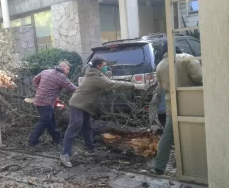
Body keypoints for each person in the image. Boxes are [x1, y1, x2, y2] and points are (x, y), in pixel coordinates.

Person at [60, 58, 147, 168]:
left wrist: (108, 77)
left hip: (85, 105)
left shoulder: (97, 75)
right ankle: (65, 154)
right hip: (78, 104)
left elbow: (106, 87)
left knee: (87, 127)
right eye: (104, 65)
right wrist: (134, 85)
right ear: (99, 66)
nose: (106, 67)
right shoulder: (95, 77)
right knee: (75, 125)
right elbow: (113, 84)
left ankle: (90, 149)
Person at [150, 42, 202, 175]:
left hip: (171, 105)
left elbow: (162, 86)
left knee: (168, 136)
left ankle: (159, 166)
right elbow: (200, 78)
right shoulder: (186, 58)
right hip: (192, 103)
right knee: (197, 134)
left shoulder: (160, 65)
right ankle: (198, 169)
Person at [28, 61, 77, 151]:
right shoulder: (61, 77)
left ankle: (57, 139)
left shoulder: (46, 71)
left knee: (50, 121)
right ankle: (32, 141)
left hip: (39, 100)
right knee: (44, 121)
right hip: (46, 103)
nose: (68, 71)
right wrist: (84, 90)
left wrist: (40, 89)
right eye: (68, 69)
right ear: (62, 67)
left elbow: (35, 79)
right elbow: (73, 88)